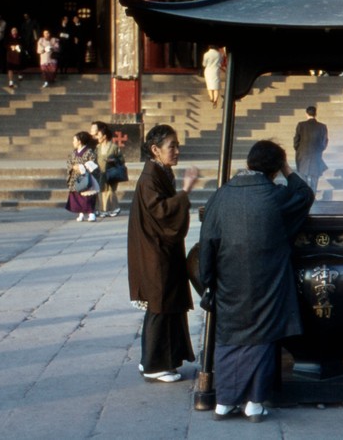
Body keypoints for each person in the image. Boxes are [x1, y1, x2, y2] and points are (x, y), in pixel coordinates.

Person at [198, 140, 314, 422]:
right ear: (275, 170)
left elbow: (207, 241)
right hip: (267, 279)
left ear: (249, 163)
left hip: (229, 279)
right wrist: (288, 168)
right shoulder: (275, 195)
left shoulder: (221, 195)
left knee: (229, 337)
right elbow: (305, 193)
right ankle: (254, 401)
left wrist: (208, 282)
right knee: (262, 337)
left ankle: (224, 401)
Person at [127, 124, 200, 383]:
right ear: (155, 150)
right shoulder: (149, 179)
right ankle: (154, 365)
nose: (177, 151)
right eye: (172, 146)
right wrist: (186, 191)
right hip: (154, 252)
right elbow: (160, 212)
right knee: (160, 305)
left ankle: (159, 359)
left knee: (167, 306)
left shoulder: (160, 172)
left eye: (178, 145)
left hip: (161, 249)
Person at [65, 131, 99, 222]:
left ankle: (91, 213)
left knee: (87, 196)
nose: (73, 142)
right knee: (77, 196)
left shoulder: (89, 152)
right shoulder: (73, 152)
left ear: (79, 141)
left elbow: (93, 163)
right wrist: (72, 167)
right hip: (75, 178)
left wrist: (81, 167)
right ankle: (81, 213)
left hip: (85, 177)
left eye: (74, 140)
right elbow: (69, 162)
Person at [293, 105, 328, 194]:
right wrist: (320, 149)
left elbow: (296, 139)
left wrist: (298, 149)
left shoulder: (301, 125)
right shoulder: (322, 126)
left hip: (302, 153)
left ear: (306, 114)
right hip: (315, 154)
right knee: (314, 176)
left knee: (303, 175)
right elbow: (324, 141)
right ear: (316, 114)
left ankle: (305, 194)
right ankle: (313, 194)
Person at [90, 120, 122, 217]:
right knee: (101, 191)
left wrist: (113, 160)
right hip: (101, 172)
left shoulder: (113, 147)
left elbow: (121, 159)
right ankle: (102, 209)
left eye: (98, 135)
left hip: (111, 171)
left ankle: (114, 208)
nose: (97, 137)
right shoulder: (97, 147)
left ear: (104, 136)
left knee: (110, 191)